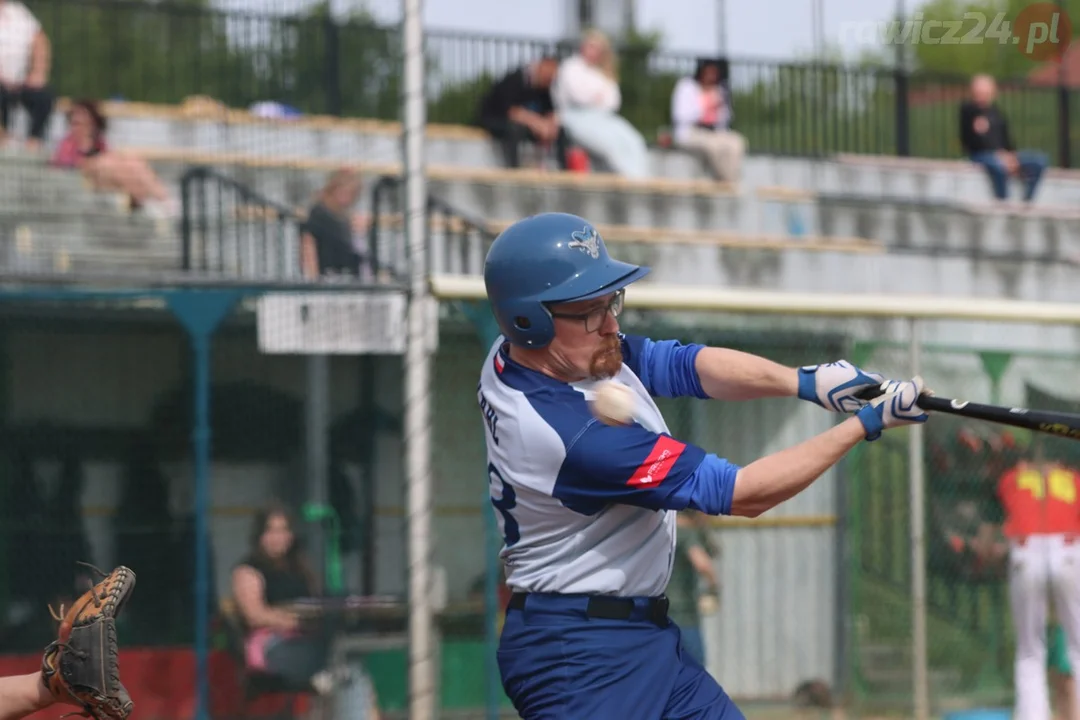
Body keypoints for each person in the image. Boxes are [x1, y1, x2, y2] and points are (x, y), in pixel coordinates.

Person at [478, 211, 928, 718]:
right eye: (590, 311)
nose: (611, 324)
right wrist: (867, 422)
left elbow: (682, 364)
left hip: (639, 639)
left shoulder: (523, 354)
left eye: (611, 303)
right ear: (529, 320)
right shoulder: (576, 438)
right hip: (579, 660)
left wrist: (804, 382)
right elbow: (742, 493)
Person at [231, 502, 351, 695]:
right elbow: (255, 615)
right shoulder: (248, 570)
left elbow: (317, 601)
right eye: (271, 531)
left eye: (283, 530)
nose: (278, 538)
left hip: (307, 639)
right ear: (260, 535)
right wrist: (294, 622)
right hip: (271, 645)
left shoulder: (300, 568)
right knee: (329, 663)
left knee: (348, 662)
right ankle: (324, 673)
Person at [997, 442, 1080, 720]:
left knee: (1030, 649)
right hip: (1069, 549)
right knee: (1078, 643)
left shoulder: (1014, 477)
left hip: (1027, 551)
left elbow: (1012, 504)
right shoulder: (1072, 478)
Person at [50, 98, 178, 218]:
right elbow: (65, 164)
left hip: (109, 176)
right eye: (76, 123)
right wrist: (88, 163)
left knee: (132, 163)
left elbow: (111, 157)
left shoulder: (98, 142)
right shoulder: (68, 143)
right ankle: (158, 201)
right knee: (111, 164)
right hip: (89, 179)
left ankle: (159, 200)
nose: (81, 126)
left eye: (85, 122)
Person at [550, 30, 650, 178]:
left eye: (596, 48)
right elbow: (579, 97)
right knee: (610, 144)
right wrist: (596, 97)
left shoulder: (603, 73)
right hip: (575, 118)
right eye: (590, 46)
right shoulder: (570, 67)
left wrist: (595, 98)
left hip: (603, 119)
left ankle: (640, 179)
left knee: (634, 141)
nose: (592, 51)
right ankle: (628, 178)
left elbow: (613, 102)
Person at [959, 74, 1048, 203]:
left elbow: (1006, 139)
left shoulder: (996, 113)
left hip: (1003, 155)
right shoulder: (969, 111)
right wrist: (1000, 156)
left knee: (1039, 161)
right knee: (998, 166)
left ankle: (1027, 200)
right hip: (981, 155)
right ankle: (1002, 201)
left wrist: (1011, 157)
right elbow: (973, 142)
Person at [478, 56, 569, 170]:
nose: (549, 80)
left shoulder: (545, 88)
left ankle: (564, 170)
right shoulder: (516, 79)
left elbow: (550, 112)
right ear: (540, 68)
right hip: (497, 120)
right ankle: (513, 169)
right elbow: (511, 111)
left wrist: (550, 126)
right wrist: (537, 123)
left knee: (561, 131)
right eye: (548, 76)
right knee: (515, 128)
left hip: (528, 126)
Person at [670, 57, 746, 183]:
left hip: (714, 131)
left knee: (736, 142)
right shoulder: (687, 87)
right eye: (709, 72)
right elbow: (681, 115)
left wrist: (720, 105)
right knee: (713, 146)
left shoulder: (720, 90)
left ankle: (731, 180)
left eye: (715, 73)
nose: (711, 76)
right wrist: (706, 105)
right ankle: (725, 181)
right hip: (693, 131)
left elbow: (725, 118)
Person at [0, 0, 53, 151]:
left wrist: (38, 73)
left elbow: (40, 40)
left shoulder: (17, 12)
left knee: (43, 97)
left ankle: (34, 140)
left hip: (20, 81)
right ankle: (3, 139)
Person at [668, 511, 720, 666]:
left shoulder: (663, 530)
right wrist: (713, 587)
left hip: (656, 612)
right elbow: (703, 564)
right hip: (683, 614)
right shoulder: (687, 533)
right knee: (695, 668)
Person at [300, 167, 365, 279]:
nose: (347, 199)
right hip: (327, 276)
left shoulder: (345, 217)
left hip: (348, 276)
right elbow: (308, 243)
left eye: (351, 194)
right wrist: (312, 277)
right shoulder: (319, 213)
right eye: (344, 192)